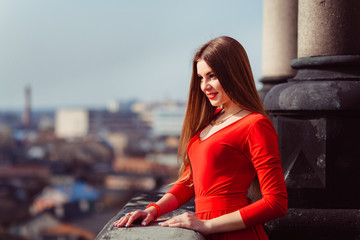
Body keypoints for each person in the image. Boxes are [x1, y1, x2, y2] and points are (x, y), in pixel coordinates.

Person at [113, 36, 288, 240]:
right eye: (200, 78)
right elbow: (190, 182)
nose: (204, 86)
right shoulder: (210, 120)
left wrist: (208, 225)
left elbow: (276, 202)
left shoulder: (255, 124)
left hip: (234, 234)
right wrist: (153, 210)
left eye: (212, 76)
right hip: (205, 231)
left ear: (234, 73)